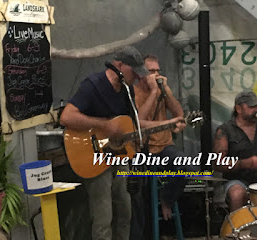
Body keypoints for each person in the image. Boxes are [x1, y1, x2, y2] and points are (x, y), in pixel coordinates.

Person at [60, 47, 183, 240]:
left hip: (118, 156)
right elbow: (66, 117)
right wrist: (103, 124)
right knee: (103, 217)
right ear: (119, 65)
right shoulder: (94, 85)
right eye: (133, 72)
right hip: (95, 157)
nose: (136, 77)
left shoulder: (126, 90)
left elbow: (134, 123)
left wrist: (167, 124)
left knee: (125, 212)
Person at [134, 54, 195, 220]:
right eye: (151, 71)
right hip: (142, 150)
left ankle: (166, 199)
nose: (156, 75)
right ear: (141, 73)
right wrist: (154, 91)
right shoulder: (134, 92)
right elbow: (139, 121)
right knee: (136, 191)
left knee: (186, 167)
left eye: (158, 71)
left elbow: (179, 114)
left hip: (164, 146)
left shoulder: (162, 91)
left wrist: (166, 90)